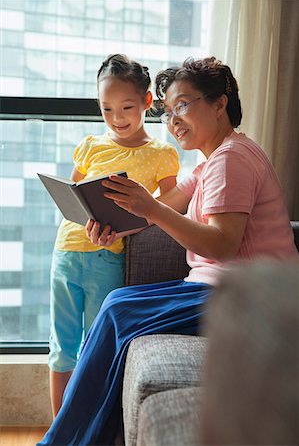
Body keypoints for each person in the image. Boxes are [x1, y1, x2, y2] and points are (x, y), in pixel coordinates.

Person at [38, 57, 298, 445]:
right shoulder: (211, 162)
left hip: (247, 296)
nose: (173, 120)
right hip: (218, 289)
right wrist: (111, 225)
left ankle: (67, 441)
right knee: (117, 306)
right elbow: (158, 210)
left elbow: (223, 244)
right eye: (167, 111)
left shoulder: (233, 160)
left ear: (220, 103)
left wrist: (152, 208)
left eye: (183, 105)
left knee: (117, 309)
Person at [48, 53, 179, 417]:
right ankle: (61, 429)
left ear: (147, 102)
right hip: (66, 252)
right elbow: (73, 192)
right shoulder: (90, 145)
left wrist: (137, 221)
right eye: (107, 109)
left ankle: (90, 425)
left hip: (109, 256)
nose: (117, 118)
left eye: (126, 107)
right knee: (62, 346)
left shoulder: (162, 154)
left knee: (96, 345)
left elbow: (171, 204)